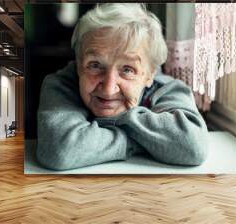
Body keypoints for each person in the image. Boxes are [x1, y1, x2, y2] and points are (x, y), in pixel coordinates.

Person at [36, 3, 208, 171]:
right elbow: (60, 151)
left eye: (127, 69)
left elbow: (193, 146)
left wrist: (95, 134)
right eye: (95, 65)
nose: (109, 89)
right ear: (79, 64)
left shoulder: (167, 89)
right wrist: (149, 142)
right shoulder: (60, 84)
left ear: (150, 74)